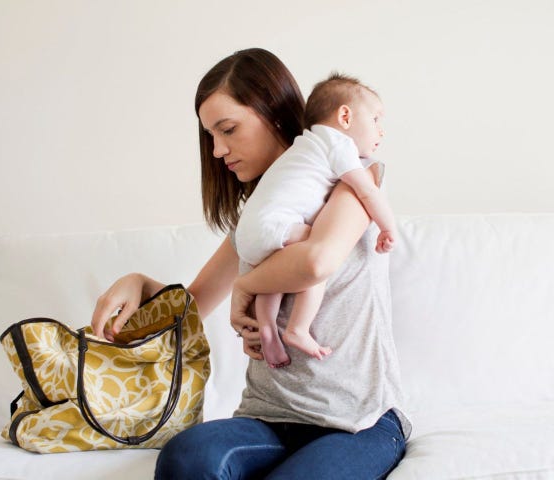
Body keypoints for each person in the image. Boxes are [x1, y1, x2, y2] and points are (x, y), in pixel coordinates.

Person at [91, 48, 411, 479]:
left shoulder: (354, 177)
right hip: (267, 418)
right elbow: (194, 305)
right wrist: (138, 282)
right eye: (211, 137)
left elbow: (317, 260)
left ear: (274, 114)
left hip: (358, 422)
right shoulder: (257, 223)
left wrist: (246, 287)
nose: (219, 149)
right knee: (185, 460)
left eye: (228, 129)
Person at [236, 73, 397, 368]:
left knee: (276, 273)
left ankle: (269, 327)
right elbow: (367, 192)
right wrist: (388, 227)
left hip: (251, 232)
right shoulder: (338, 145)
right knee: (314, 245)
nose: (381, 132)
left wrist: (245, 284)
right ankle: (298, 327)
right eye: (375, 119)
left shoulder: (304, 147)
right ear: (345, 116)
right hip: (275, 225)